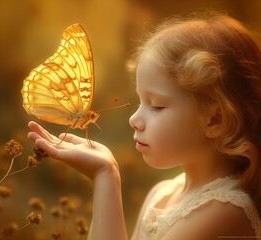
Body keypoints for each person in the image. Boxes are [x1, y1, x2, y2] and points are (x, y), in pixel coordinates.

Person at [28, 12, 261, 240]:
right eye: (140, 101)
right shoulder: (161, 194)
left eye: (157, 106)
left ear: (214, 119)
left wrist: (105, 176)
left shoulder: (224, 211)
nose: (134, 119)